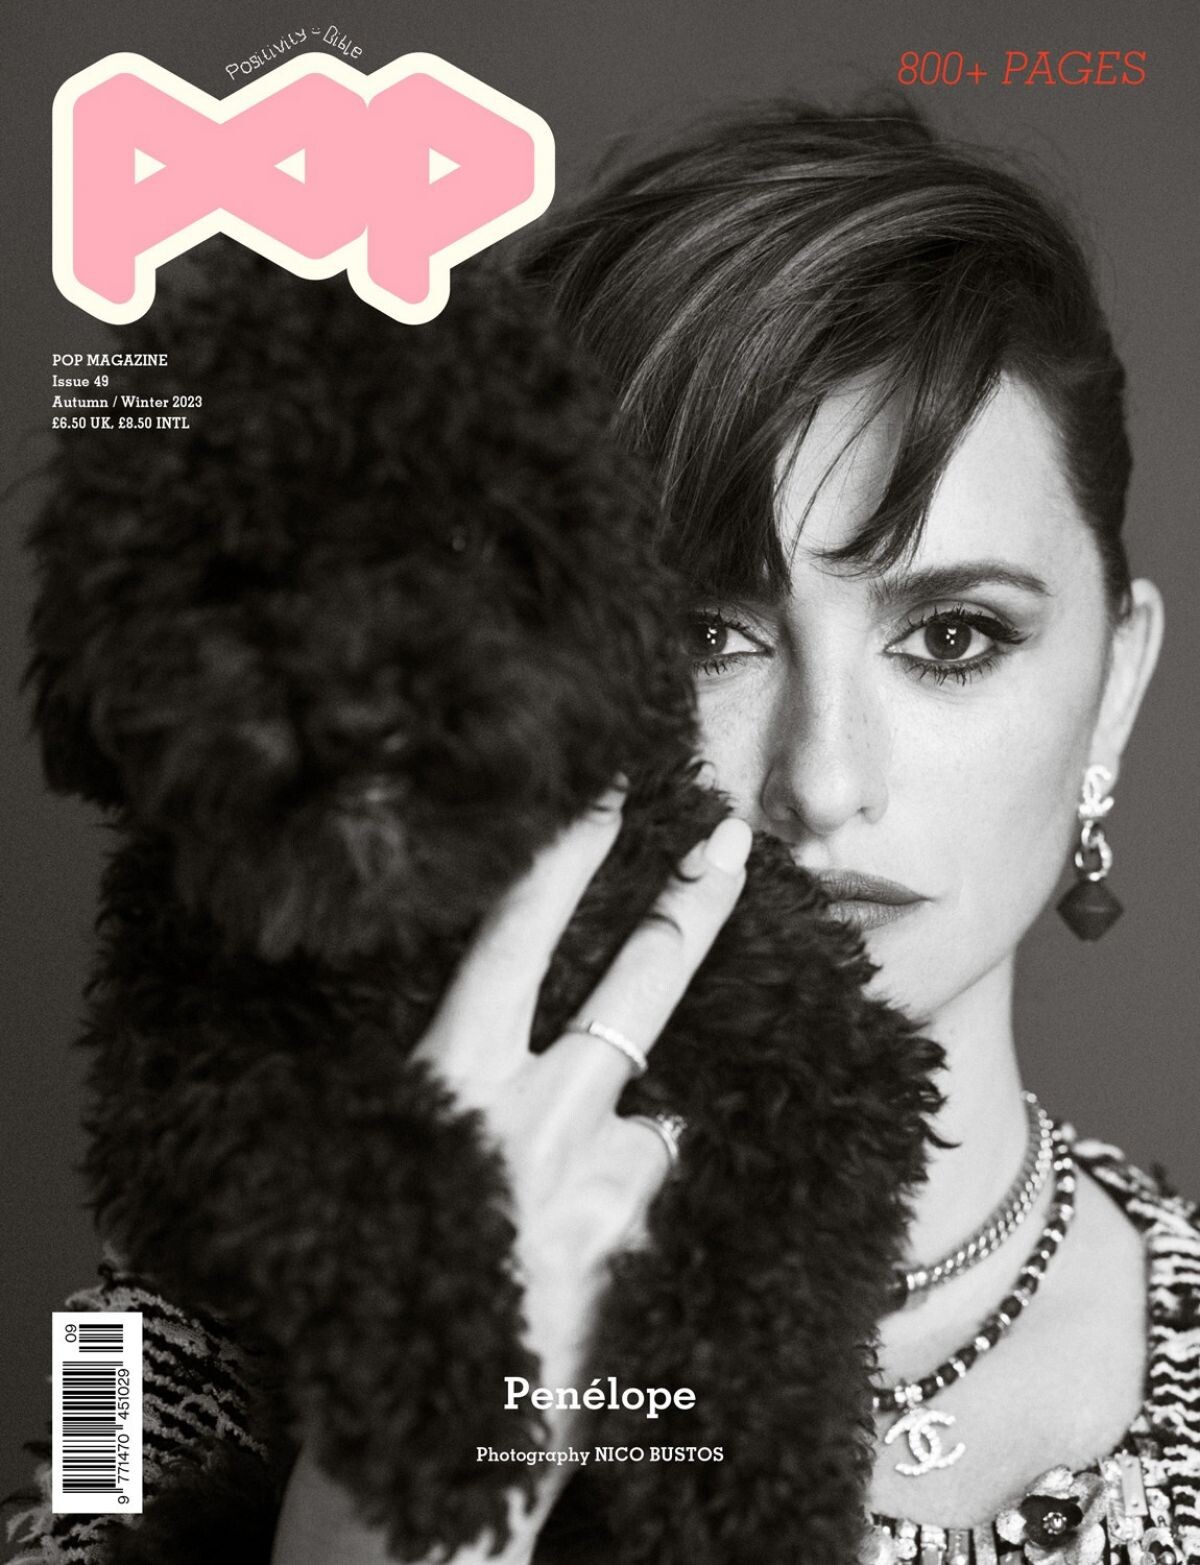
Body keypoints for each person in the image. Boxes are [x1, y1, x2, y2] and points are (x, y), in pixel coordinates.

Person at [7, 100, 1196, 1565]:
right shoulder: (146, 1344)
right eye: (706, 635)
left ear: (1115, 685)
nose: (824, 780)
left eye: (952, 635)